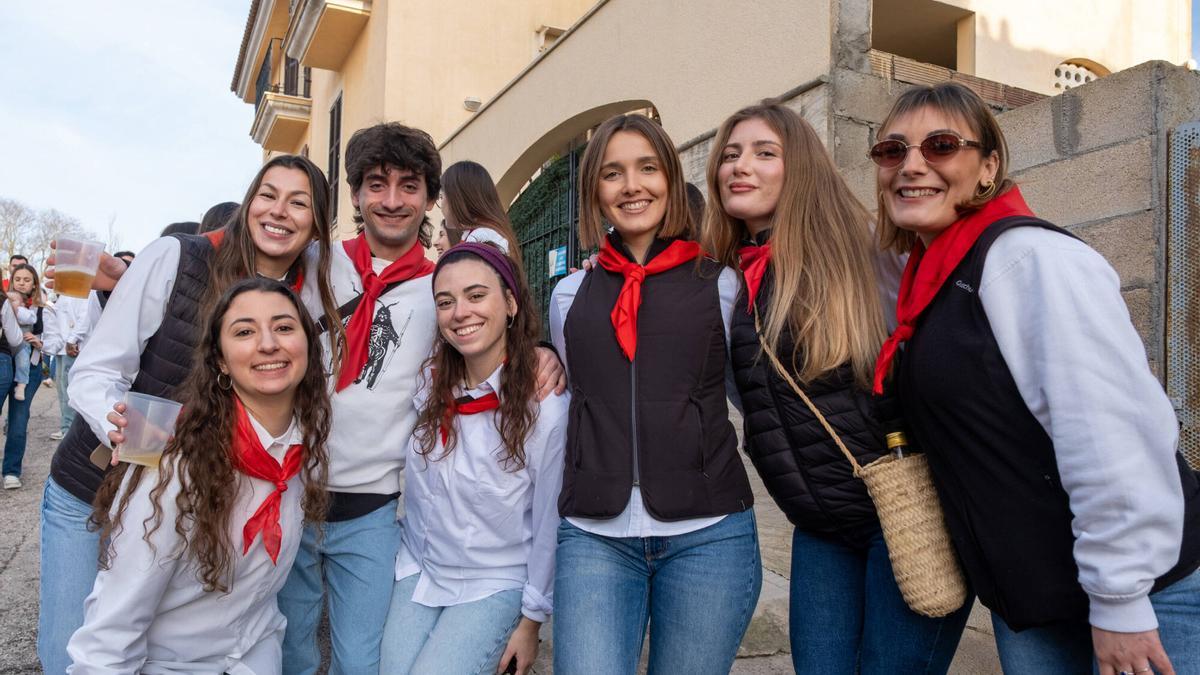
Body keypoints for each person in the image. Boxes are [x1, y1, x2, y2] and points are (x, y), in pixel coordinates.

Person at [871, 81, 1200, 675]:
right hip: (1034, 594)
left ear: (988, 165)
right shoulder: (931, 275)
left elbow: (1109, 433)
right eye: (892, 151)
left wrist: (1121, 599)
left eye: (940, 145)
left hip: (1136, 593)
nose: (911, 165)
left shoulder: (1026, 260)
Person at [38, 154, 343, 674]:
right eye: (269, 195)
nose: (280, 211)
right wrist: (141, 437)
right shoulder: (176, 258)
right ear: (249, 202)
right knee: (78, 649)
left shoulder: (307, 299)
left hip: (194, 500)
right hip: (94, 484)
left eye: (300, 202)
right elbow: (95, 372)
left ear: (316, 226)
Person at [278, 122, 564, 675]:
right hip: (294, 488)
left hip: (372, 508)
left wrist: (544, 351)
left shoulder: (440, 287)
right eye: (376, 184)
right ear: (356, 194)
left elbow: (483, 333)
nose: (391, 200)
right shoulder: (312, 265)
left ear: (431, 198)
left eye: (409, 186)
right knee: (290, 649)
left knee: (361, 661)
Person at [702, 100, 968, 674]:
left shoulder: (864, 250)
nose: (739, 166)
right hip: (819, 525)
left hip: (902, 515)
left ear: (799, 168)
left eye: (764, 153)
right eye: (729, 155)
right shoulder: (729, 278)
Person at [549, 114, 760, 674]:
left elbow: (755, 397)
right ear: (595, 189)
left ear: (669, 176)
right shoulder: (569, 293)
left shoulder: (722, 284)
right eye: (613, 173)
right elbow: (577, 394)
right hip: (595, 535)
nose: (632, 186)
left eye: (647, 168)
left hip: (708, 535)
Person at [67, 278, 331, 674]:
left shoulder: (301, 451)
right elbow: (110, 635)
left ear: (308, 346)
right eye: (244, 331)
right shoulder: (176, 465)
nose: (268, 343)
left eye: (284, 327)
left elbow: (256, 605)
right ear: (221, 361)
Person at [379, 242, 567, 675]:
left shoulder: (547, 408)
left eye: (477, 295)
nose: (460, 312)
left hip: (495, 580)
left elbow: (549, 524)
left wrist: (531, 620)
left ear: (511, 303)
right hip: (421, 567)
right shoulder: (427, 384)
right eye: (446, 302)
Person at [1, 264, 52, 489]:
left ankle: (11, 471)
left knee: (18, 420)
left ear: (34, 284)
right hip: (5, 361)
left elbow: (55, 340)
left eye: (27, 279)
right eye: (18, 279)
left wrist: (40, 343)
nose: (22, 282)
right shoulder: (5, 302)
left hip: (30, 367)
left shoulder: (43, 308)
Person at [48, 289, 100, 441]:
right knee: (62, 391)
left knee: (70, 391)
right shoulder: (64, 291)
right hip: (61, 347)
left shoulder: (85, 289)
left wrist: (73, 339)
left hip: (73, 347)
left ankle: (70, 430)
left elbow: (85, 317)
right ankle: (65, 427)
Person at [440, 160, 520, 254]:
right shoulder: (484, 235)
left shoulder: (480, 240)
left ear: (457, 198)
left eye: (441, 197)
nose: (441, 204)